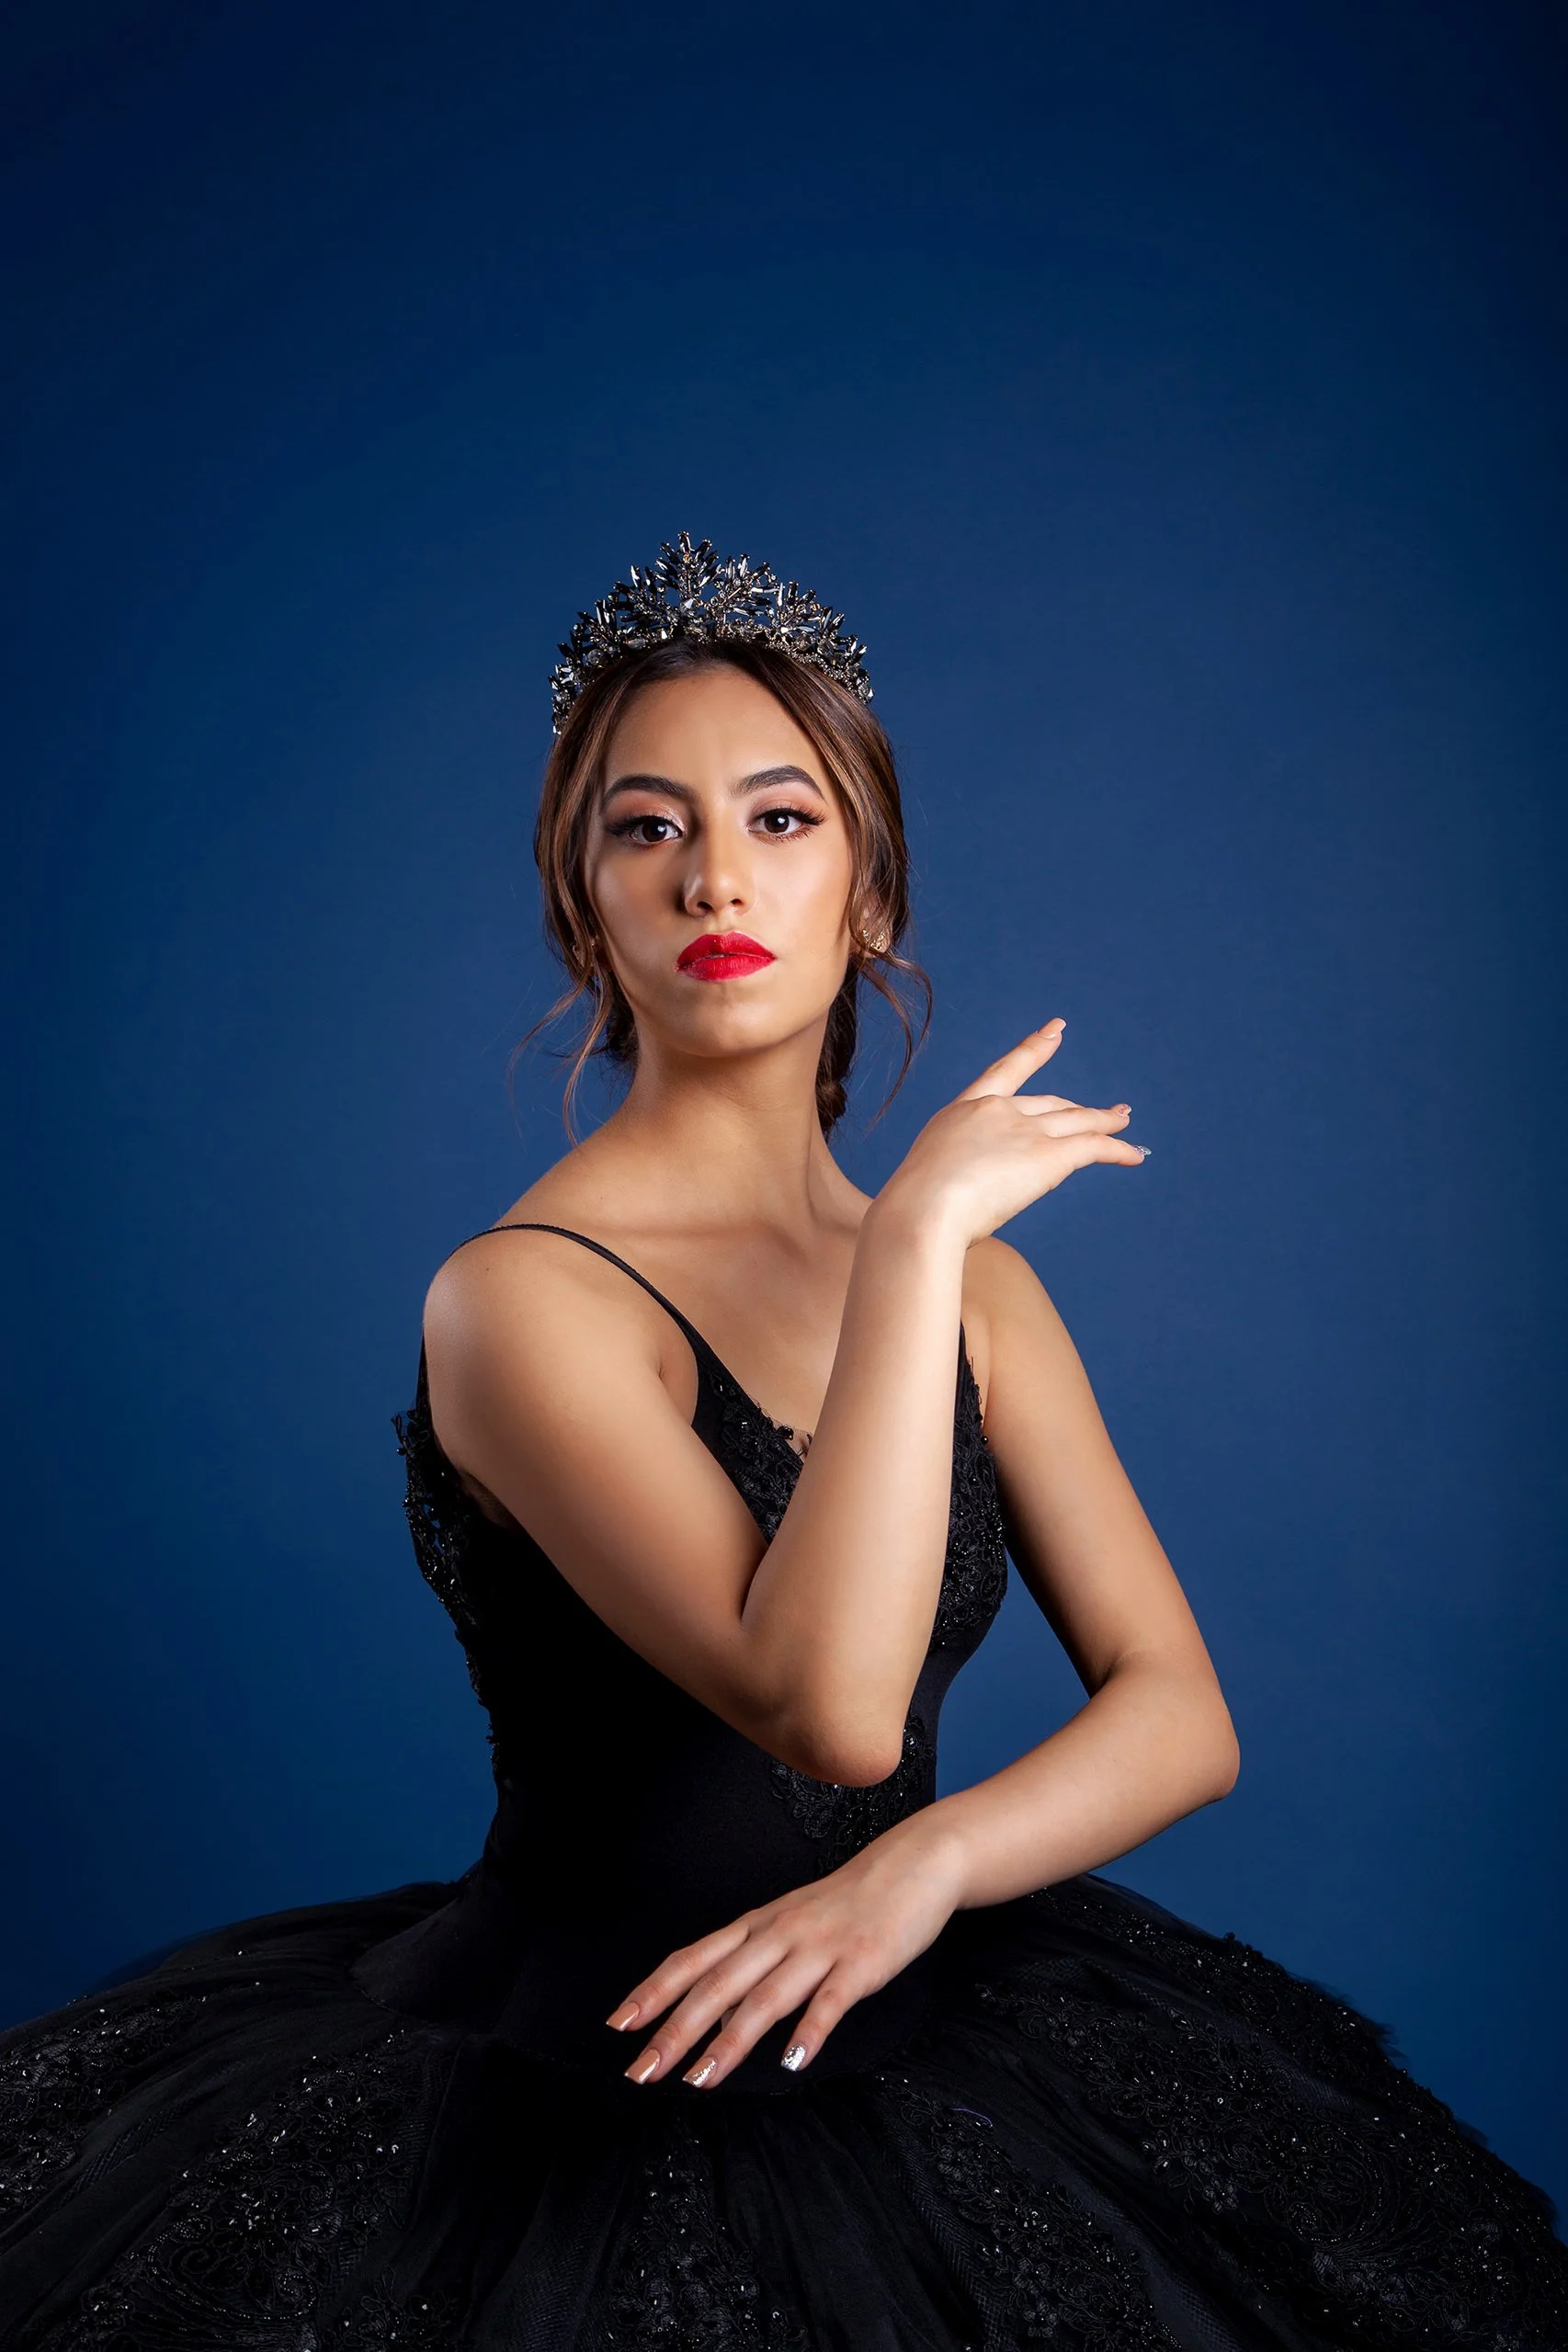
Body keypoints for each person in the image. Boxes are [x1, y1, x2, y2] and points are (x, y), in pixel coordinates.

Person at [1, 537, 1563, 2352]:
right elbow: (827, 1707)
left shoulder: (981, 1297)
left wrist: (920, 1871)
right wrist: (913, 1239)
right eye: (645, 828)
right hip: (571, 2091)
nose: (714, 876)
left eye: (779, 817)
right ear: (583, 904)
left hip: (925, 2023)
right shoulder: (520, 1300)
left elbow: (1178, 1712)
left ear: (867, 891)